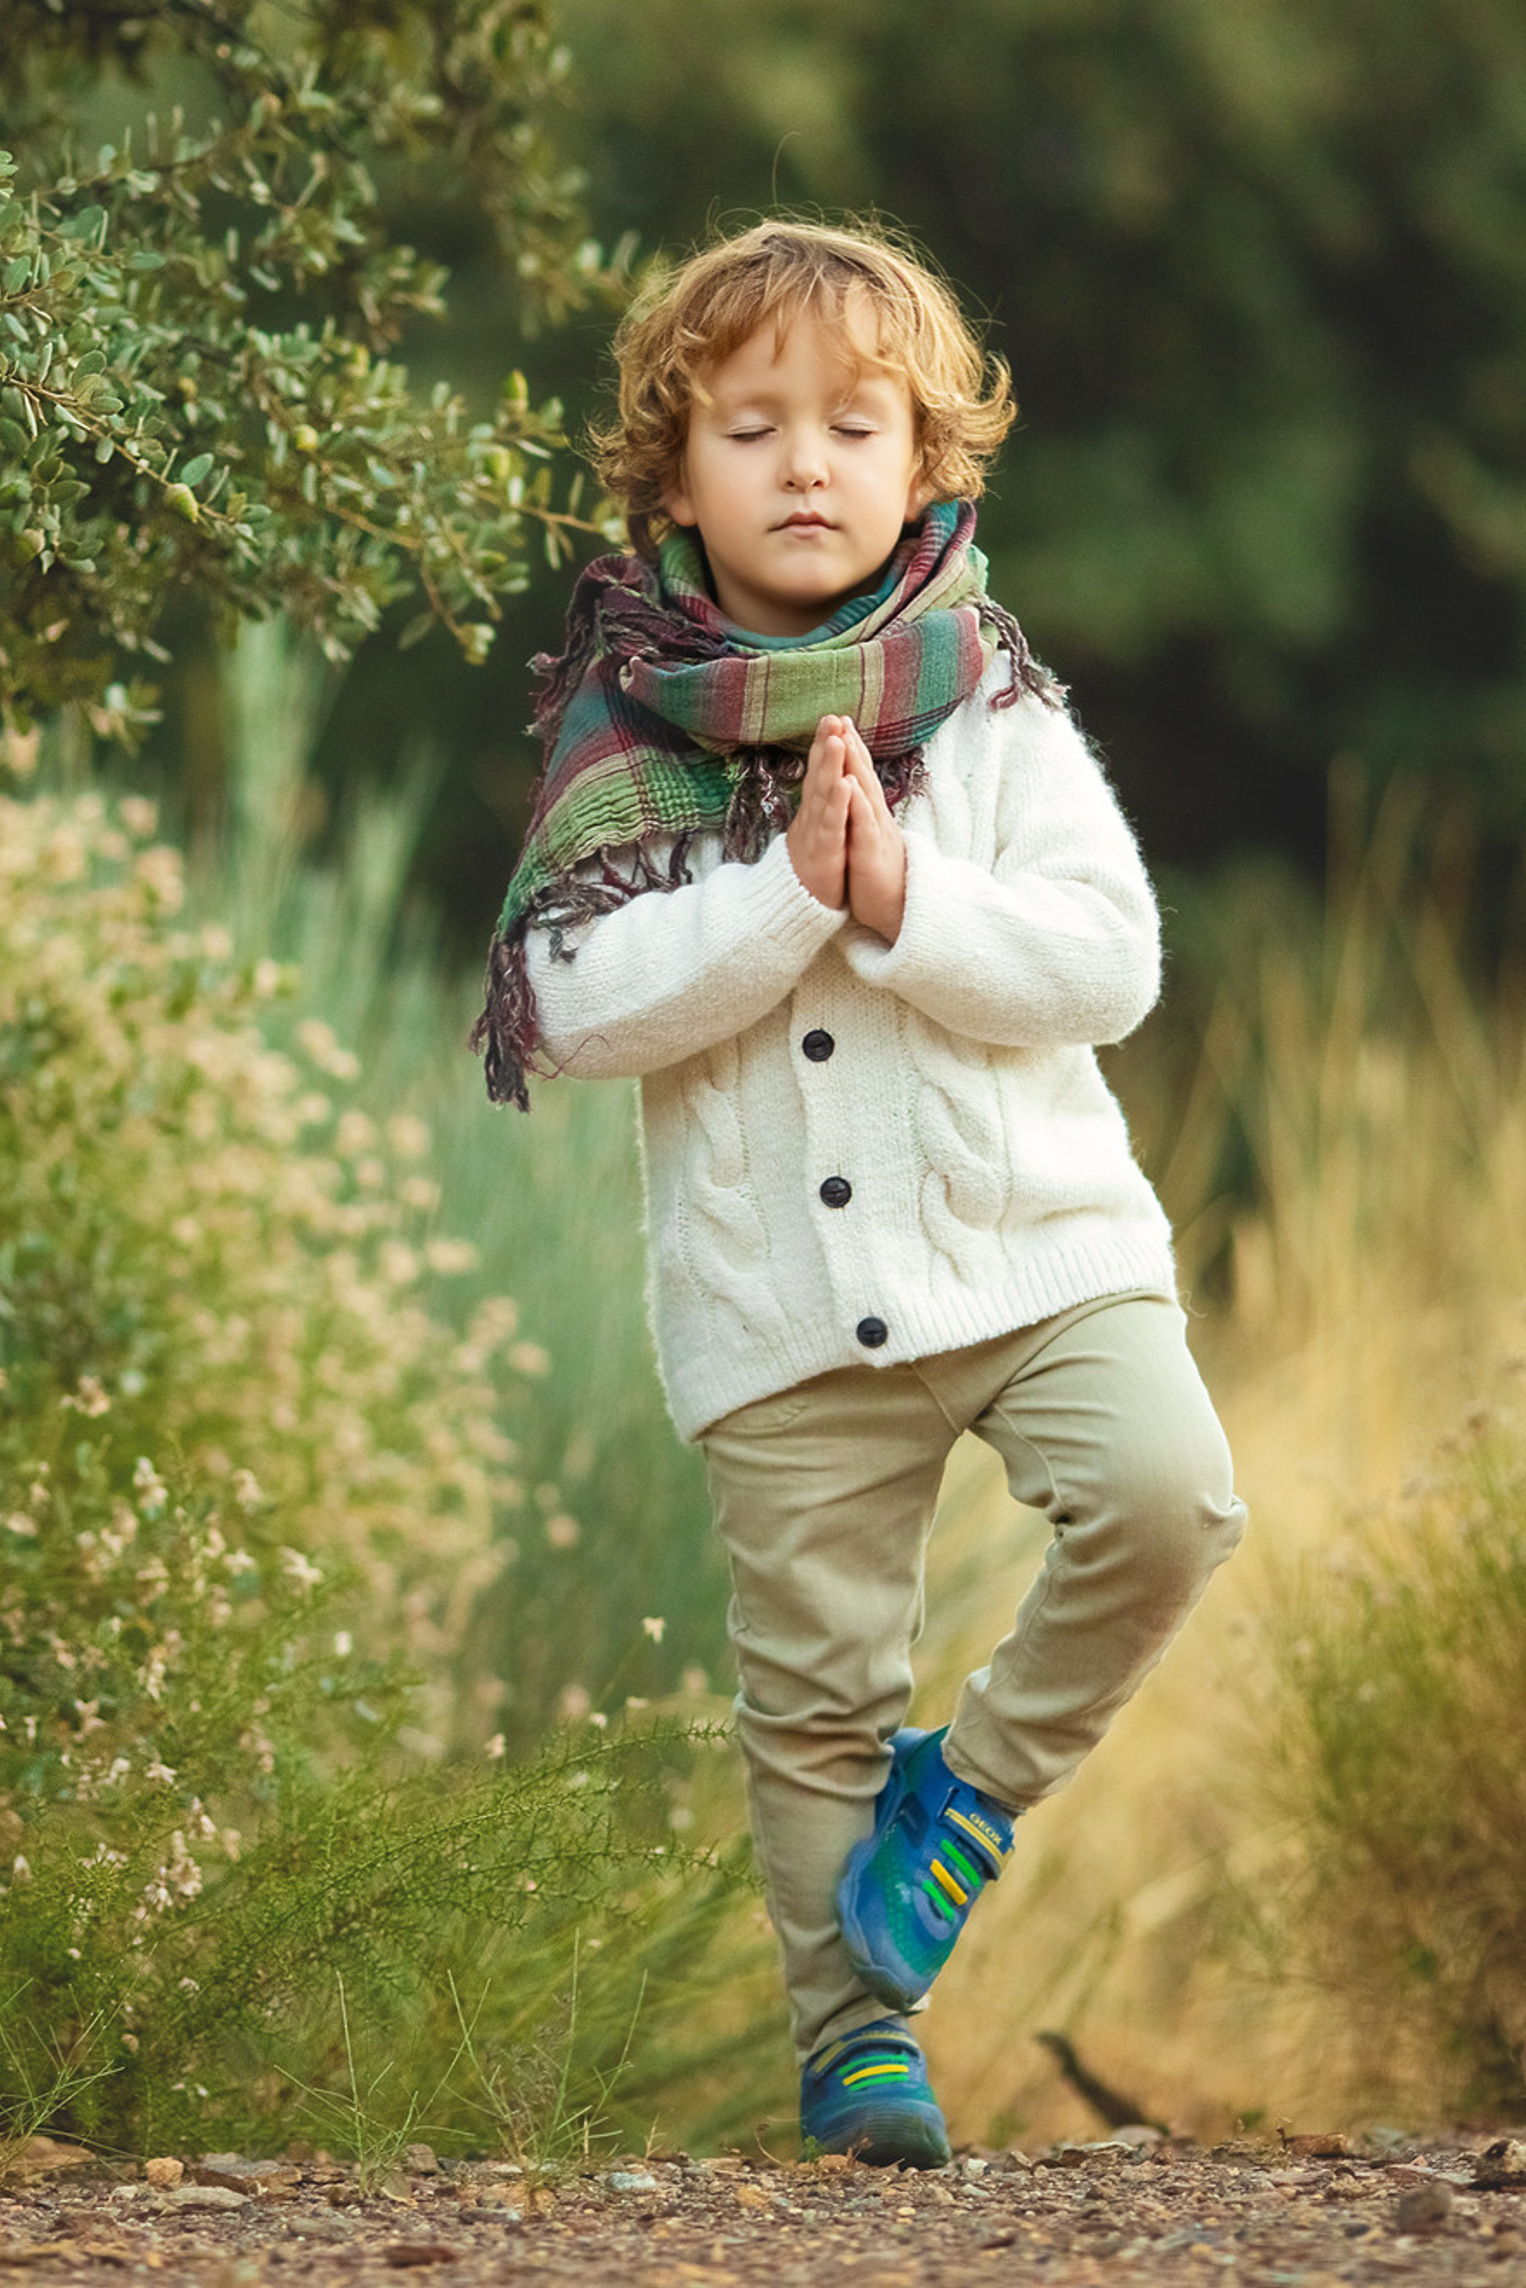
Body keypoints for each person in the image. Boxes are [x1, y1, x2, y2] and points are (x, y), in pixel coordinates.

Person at [474, 219, 1247, 2167]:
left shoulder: (984, 699)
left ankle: (968, 1792)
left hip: (1032, 1245)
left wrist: (900, 893)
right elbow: (565, 1006)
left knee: (1167, 1497)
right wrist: (781, 893)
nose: (802, 463)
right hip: (773, 1307)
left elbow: (1104, 960)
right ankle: (854, 2043)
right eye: (749, 426)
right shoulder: (620, 731)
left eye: (850, 423)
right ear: (671, 473)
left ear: (926, 464)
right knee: (809, 1693)